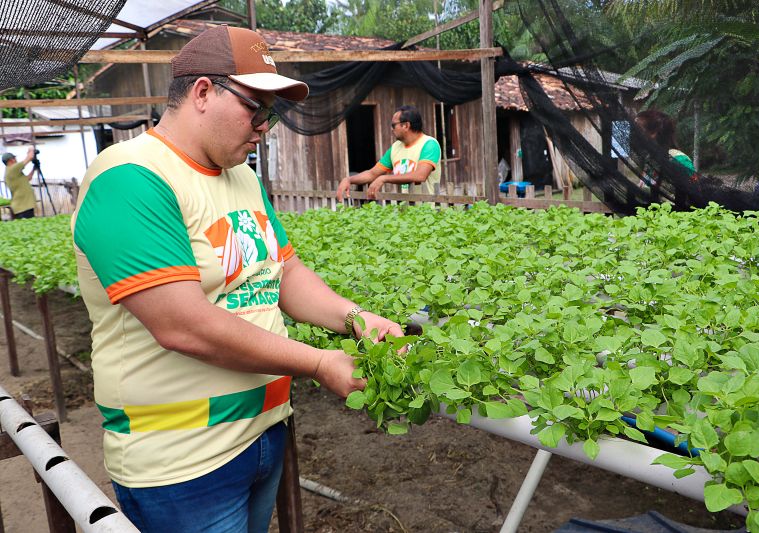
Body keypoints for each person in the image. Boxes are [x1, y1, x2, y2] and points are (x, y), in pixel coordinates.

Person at [71, 25, 402, 532]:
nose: (264, 125)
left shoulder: (241, 175)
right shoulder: (131, 177)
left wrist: (354, 319)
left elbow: (283, 270)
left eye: (271, 112)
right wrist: (317, 362)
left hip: (263, 432)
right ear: (203, 92)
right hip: (183, 462)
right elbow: (184, 325)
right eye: (256, 107)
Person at [336, 105, 441, 201]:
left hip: (427, 212)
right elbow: (372, 174)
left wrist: (384, 178)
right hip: (405, 212)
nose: (391, 129)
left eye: (393, 125)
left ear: (406, 125)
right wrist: (349, 179)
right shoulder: (395, 147)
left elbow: (420, 175)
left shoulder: (429, 144)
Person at [634, 109, 698, 190]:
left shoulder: (680, 159)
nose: (636, 135)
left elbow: (693, 192)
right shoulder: (650, 157)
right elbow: (644, 185)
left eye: (639, 130)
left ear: (654, 133)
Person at [2, 147, 36, 219]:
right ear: (10, 160)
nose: (16, 160)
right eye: (14, 158)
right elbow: (29, 157)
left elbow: (28, 178)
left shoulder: (12, 172)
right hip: (23, 207)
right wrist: (31, 149)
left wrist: (34, 168)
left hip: (24, 206)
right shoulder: (12, 169)